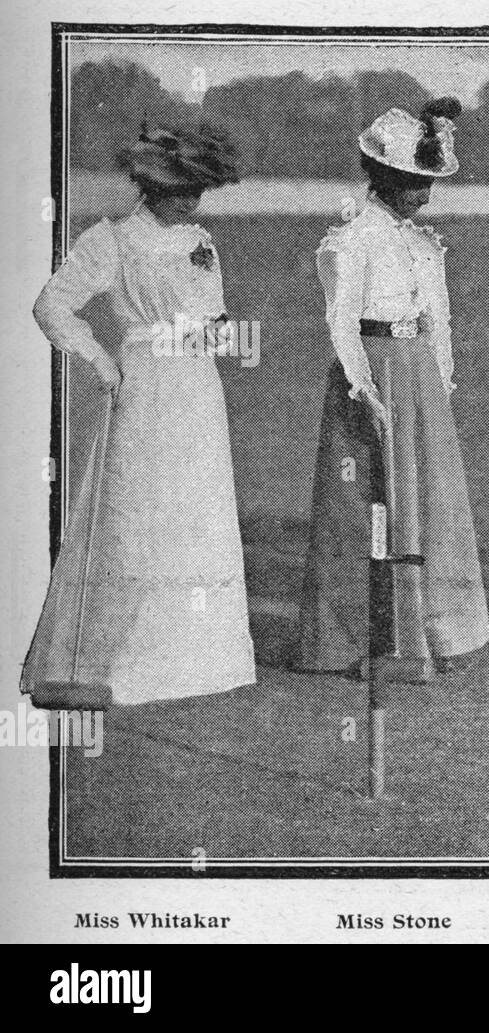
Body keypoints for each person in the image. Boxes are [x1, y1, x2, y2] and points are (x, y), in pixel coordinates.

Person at [23, 123, 255, 705]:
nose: (191, 202)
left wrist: (222, 334)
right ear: (149, 187)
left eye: (198, 191)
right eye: (181, 191)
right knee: (139, 511)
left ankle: (198, 657)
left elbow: (214, 316)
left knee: (194, 510)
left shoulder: (201, 239)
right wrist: (100, 359)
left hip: (197, 387)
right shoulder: (113, 240)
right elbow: (51, 305)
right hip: (146, 383)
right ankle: (125, 657)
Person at [296, 98, 489, 673]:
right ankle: (359, 640)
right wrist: (366, 390)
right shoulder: (349, 240)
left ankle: (430, 632)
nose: (425, 194)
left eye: (428, 182)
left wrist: (440, 380)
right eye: (414, 182)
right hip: (373, 373)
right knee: (367, 506)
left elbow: (439, 319)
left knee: (427, 500)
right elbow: (341, 322)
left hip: (418, 376)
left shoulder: (422, 242)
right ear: (383, 178)